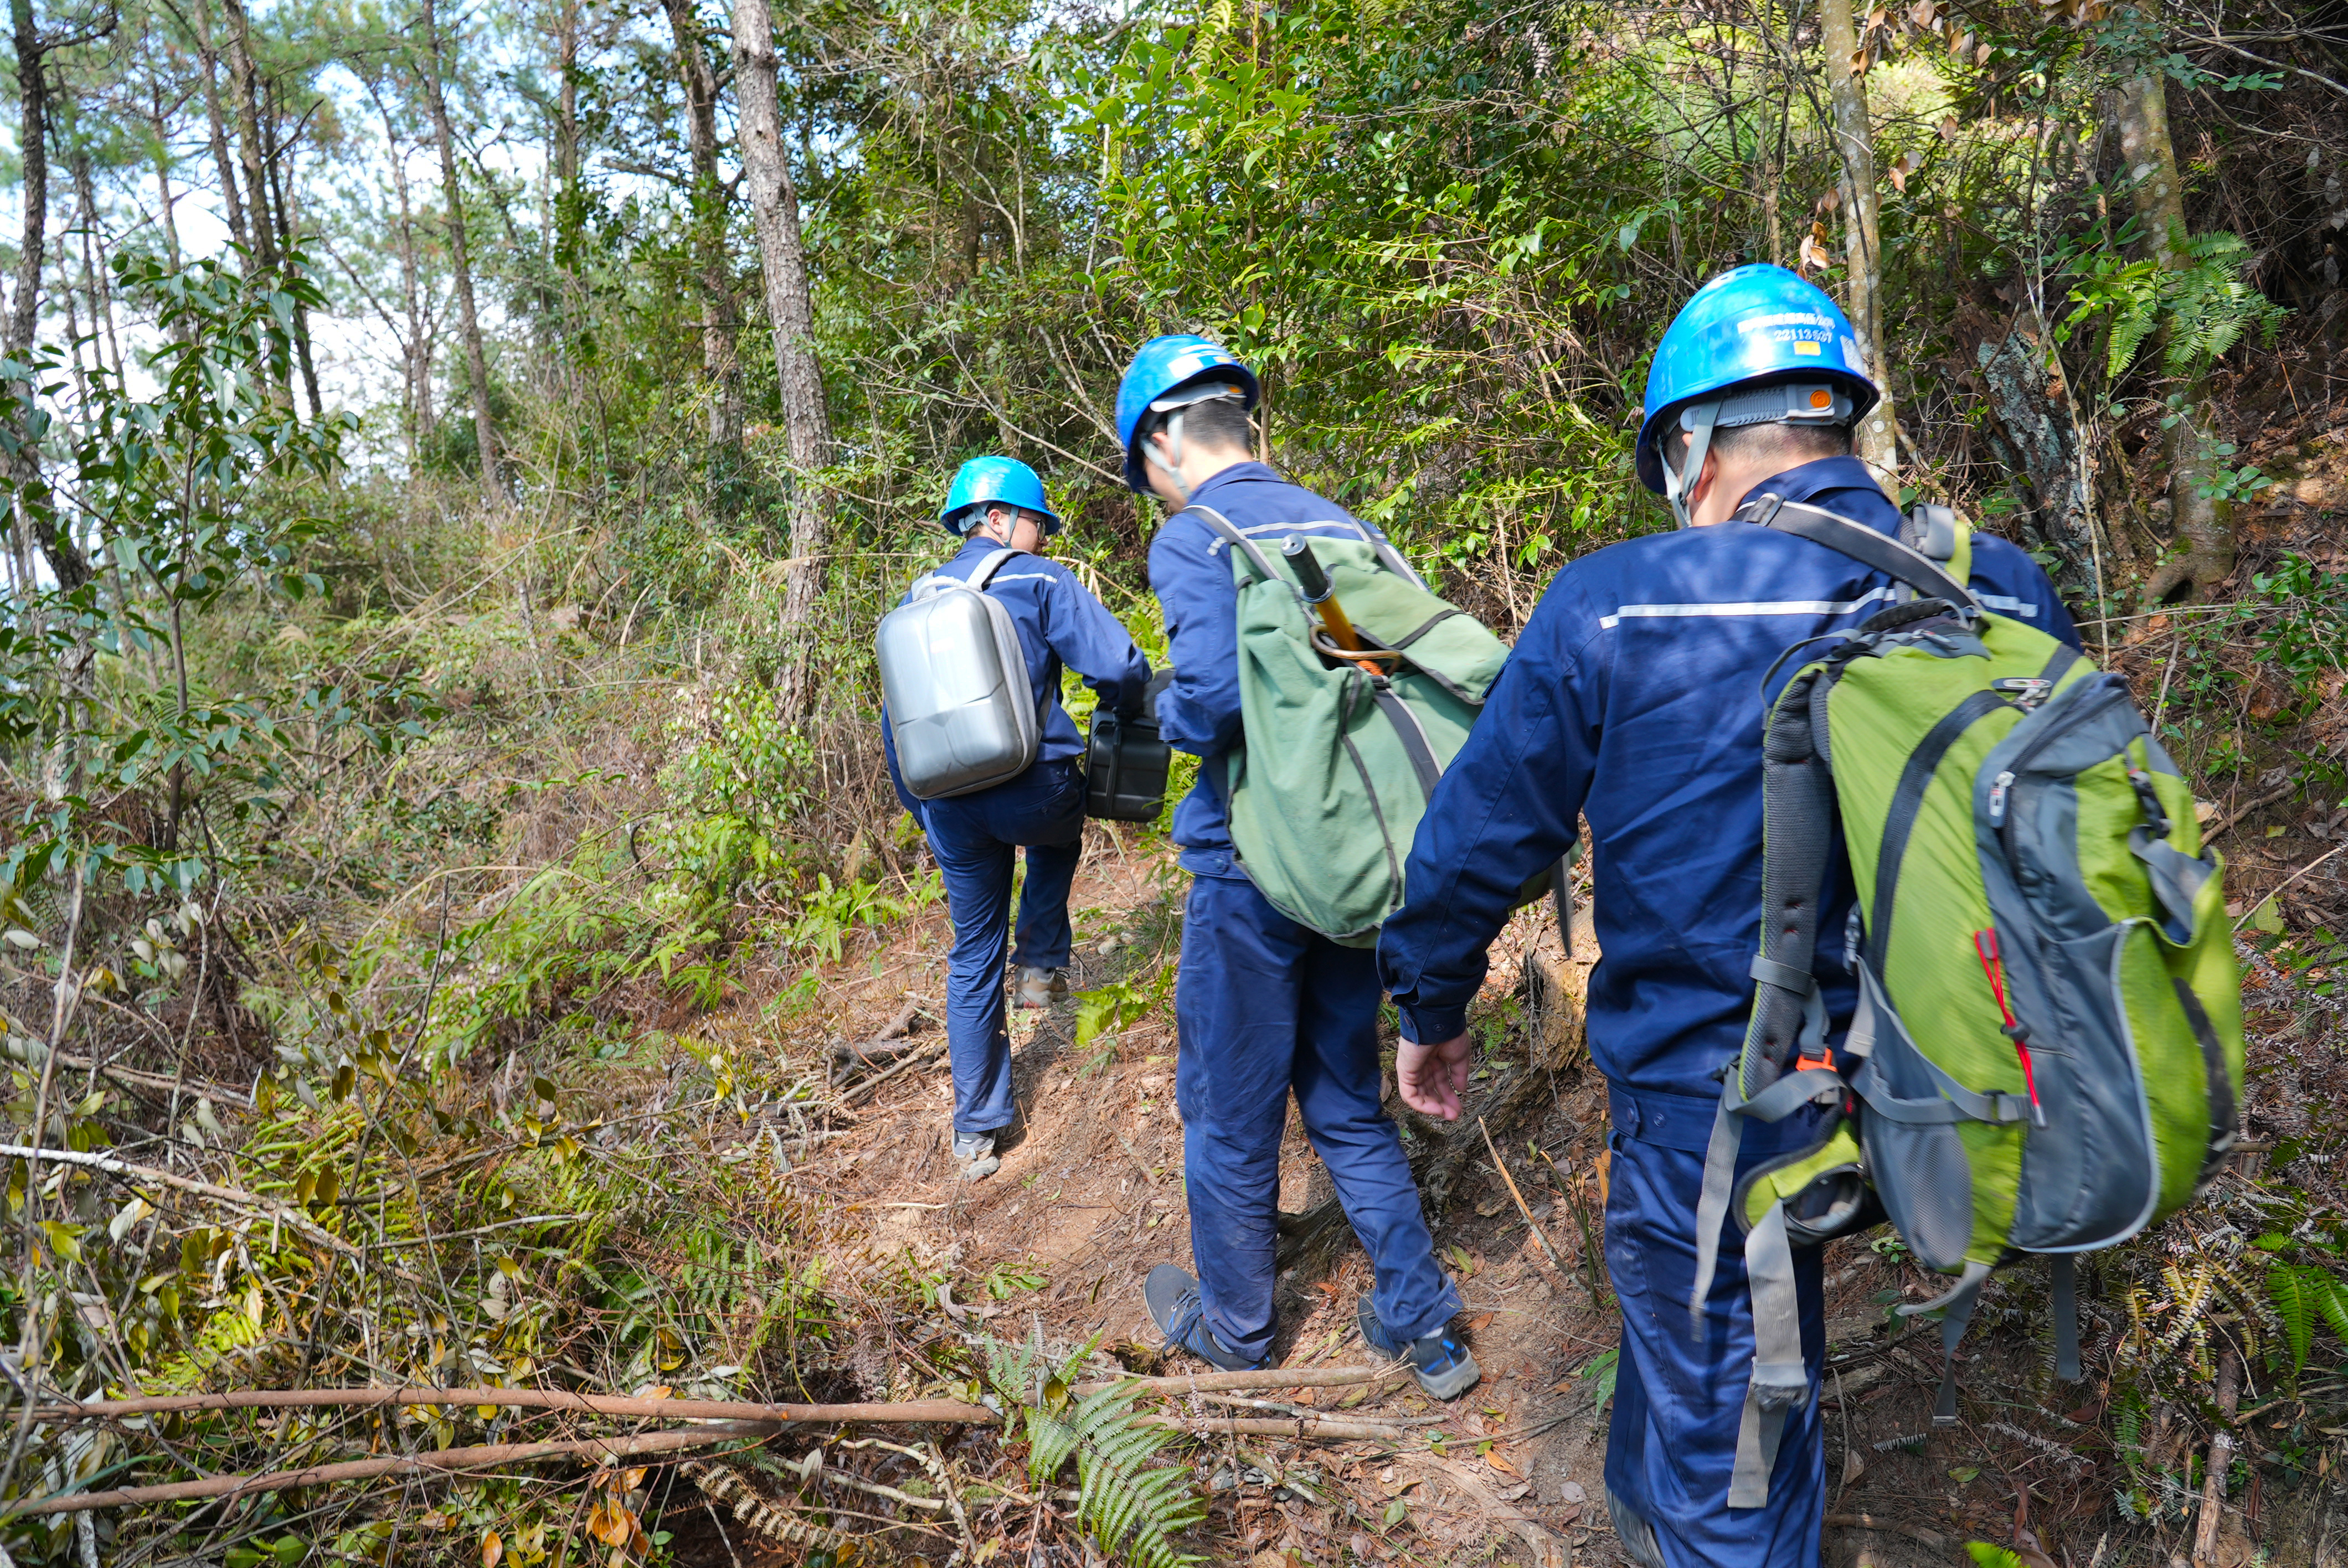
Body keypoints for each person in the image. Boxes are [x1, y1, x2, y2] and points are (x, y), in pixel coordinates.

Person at [1375, 265, 2084, 1566]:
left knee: (1733, 1464)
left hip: (1720, 1110)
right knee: (1701, 1374)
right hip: (1948, 1075)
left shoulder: (1615, 602)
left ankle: (1699, 1528)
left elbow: (1474, 843)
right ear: (1843, 424)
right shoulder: (1999, 588)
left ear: (1689, 447)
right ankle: (1648, 1510)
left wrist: (1428, 1005)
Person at [1118, 335, 1478, 1399]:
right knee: (1343, 1098)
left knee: (1229, 1111)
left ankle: (1237, 1332)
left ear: (1164, 443)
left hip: (1251, 869)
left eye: (1144, 469)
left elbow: (1215, 701)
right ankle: (1424, 1322)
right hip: (1350, 863)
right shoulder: (1339, 523)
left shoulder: (1196, 536)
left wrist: (1161, 708)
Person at [882, 456, 1151, 1181]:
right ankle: (1038, 968)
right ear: (999, 518)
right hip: (1035, 792)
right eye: (1037, 521)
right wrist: (1124, 713)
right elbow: (1121, 668)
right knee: (1062, 833)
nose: (1043, 535)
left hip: (950, 808)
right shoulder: (1041, 581)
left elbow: (895, 727)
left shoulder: (913, 607)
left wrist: (926, 812)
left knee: (972, 953)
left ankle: (976, 1132)